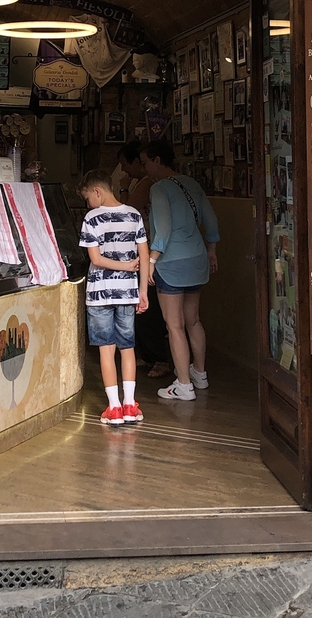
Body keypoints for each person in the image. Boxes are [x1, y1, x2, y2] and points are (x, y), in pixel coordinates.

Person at [140, 140, 220, 401]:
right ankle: (200, 373)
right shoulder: (193, 184)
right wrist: (212, 250)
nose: (145, 168)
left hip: (172, 263)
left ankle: (183, 385)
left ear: (157, 161)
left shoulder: (159, 189)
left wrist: (151, 261)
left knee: (174, 325)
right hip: (197, 257)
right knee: (193, 320)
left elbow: (162, 229)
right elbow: (210, 220)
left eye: (146, 162)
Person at [78, 169, 149, 425]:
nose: (89, 204)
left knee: (106, 351)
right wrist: (143, 291)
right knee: (127, 348)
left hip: (99, 294)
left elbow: (95, 260)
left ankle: (114, 408)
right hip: (128, 292)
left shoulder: (91, 219)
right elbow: (144, 255)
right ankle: (131, 404)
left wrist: (124, 266)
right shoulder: (134, 215)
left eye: (88, 198)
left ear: (97, 192)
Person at [118, 141, 173, 379]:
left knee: (146, 309)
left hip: (148, 252)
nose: (125, 170)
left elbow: (129, 212)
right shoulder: (153, 184)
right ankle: (151, 356)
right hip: (149, 251)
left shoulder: (147, 184)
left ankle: (159, 357)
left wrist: (122, 190)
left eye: (126, 164)